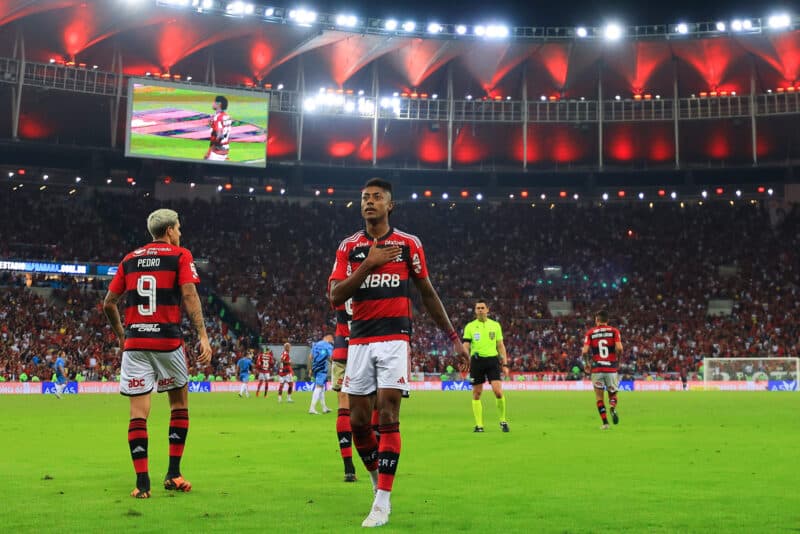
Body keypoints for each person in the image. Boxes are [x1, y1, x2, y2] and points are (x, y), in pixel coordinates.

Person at [329, 177, 469, 528]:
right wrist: (369, 264)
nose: (369, 202)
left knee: (388, 414)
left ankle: (382, 501)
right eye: (365, 198)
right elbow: (335, 296)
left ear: (390, 205)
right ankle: (379, 483)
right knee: (359, 423)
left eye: (377, 197)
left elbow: (427, 292)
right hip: (359, 341)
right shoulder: (349, 247)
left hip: (394, 340)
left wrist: (453, 336)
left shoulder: (409, 245)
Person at [103, 208, 212, 499]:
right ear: (168, 231)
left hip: (135, 345)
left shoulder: (129, 259)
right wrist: (203, 335)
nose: (180, 233)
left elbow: (108, 303)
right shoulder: (180, 255)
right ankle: (173, 473)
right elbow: (189, 295)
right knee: (179, 406)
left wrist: (123, 336)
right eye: (178, 228)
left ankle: (141, 484)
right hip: (167, 343)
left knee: (138, 414)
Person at [462, 300, 510, 433]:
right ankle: (479, 425)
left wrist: (505, 363)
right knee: (476, 393)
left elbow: (500, 345)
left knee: (498, 392)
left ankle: (503, 421)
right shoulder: (470, 327)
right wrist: (464, 359)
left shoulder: (495, 325)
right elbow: (466, 345)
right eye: (478, 308)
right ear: (475, 310)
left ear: (487, 310)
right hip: (476, 362)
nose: (480, 310)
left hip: (492, 361)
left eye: (483, 308)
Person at [581, 309, 623, 430]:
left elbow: (584, 351)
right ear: (607, 320)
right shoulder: (614, 331)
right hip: (610, 368)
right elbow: (620, 349)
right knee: (613, 393)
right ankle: (613, 407)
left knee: (599, 398)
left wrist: (587, 363)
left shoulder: (590, 333)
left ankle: (605, 423)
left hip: (597, 369)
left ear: (597, 320)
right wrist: (618, 361)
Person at [332, 300, 357, 482]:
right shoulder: (368, 277)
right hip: (363, 345)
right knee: (372, 404)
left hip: (342, 348)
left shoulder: (338, 280)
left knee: (343, 402)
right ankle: (376, 460)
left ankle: (348, 466)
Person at [308, 334, 333, 415]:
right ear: (328, 337)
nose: (332, 340)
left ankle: (324, 408)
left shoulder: (315, 344)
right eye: (331, 338)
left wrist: (310, 369)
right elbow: (331, 357)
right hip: (322, 368)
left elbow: (310, 357)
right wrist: (334, 364)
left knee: (321, 388)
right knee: (318, 387)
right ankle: (312, 408)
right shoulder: (328, 345)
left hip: (315, 368)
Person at [204, 95, 231, 161]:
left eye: (214, 102)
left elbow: (219, 136)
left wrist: (209, 151)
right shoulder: (227, 116)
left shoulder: (217, 118)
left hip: (217, 152)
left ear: (219, 104)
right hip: (225, 149)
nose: (212, 103)